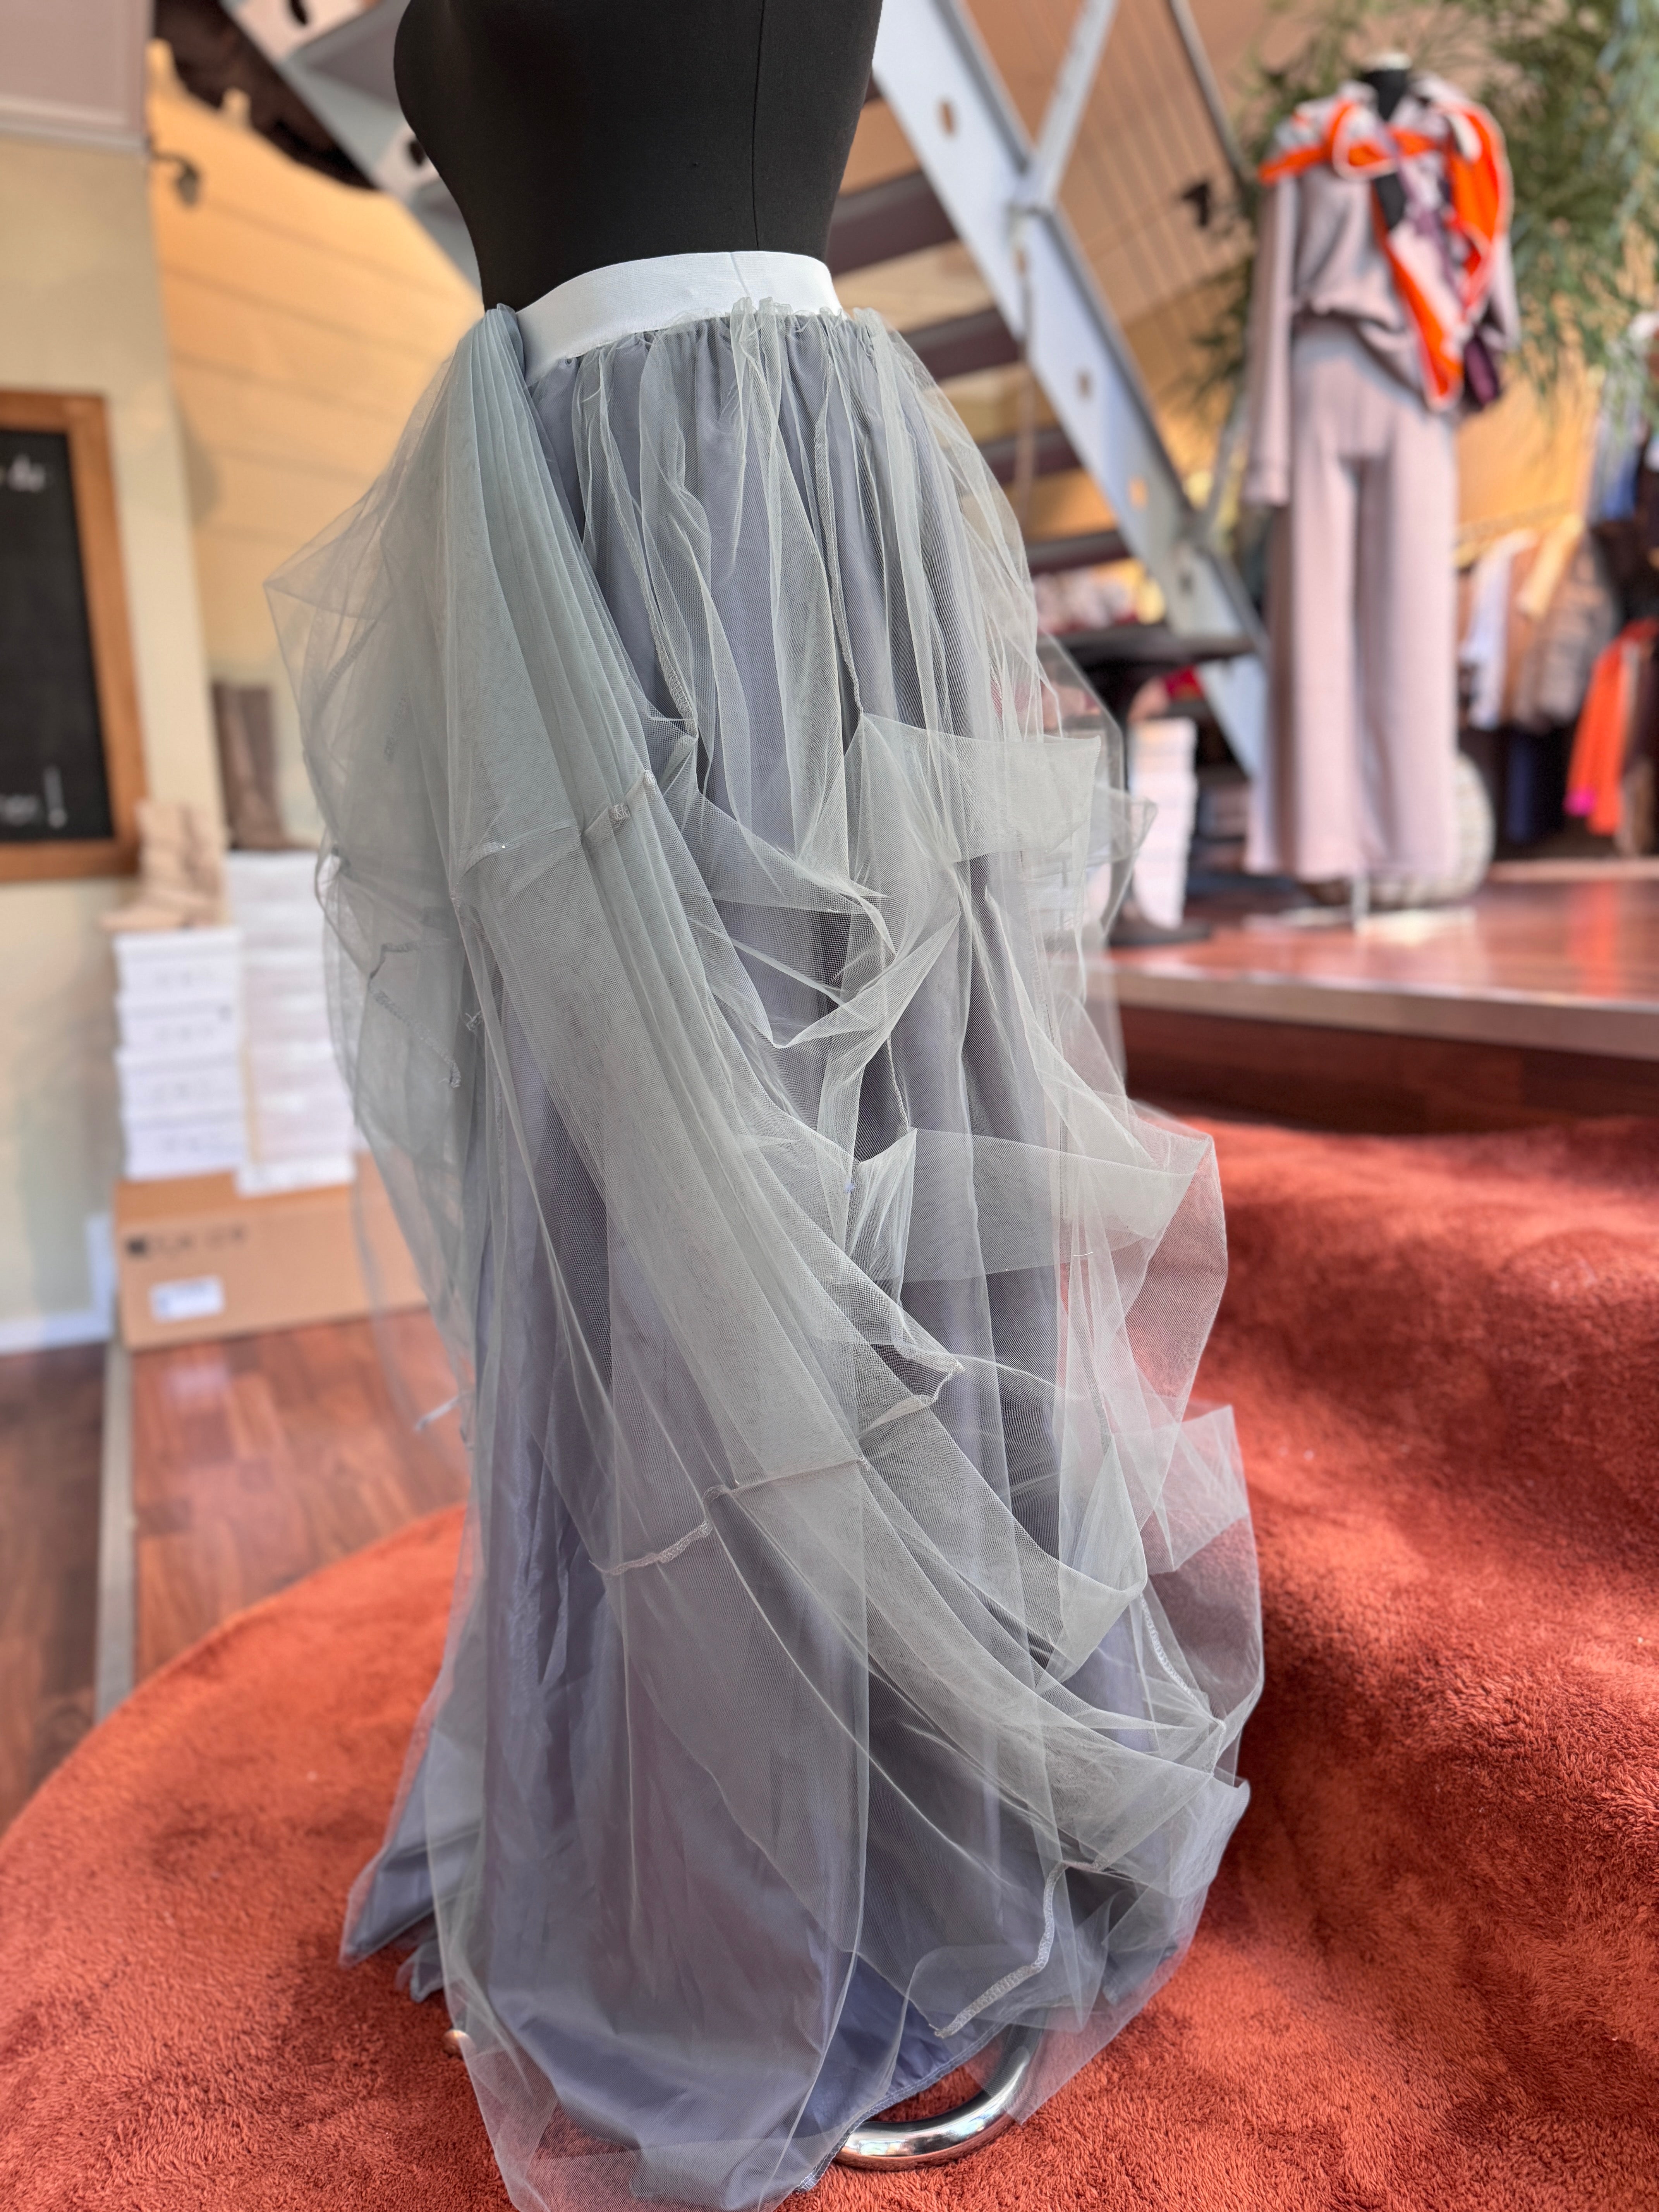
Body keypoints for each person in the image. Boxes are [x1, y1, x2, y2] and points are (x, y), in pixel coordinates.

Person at [270, 6, 1262, 2204]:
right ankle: (658, 1839)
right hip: (549, 520)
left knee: (833, 1141)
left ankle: (909, 1885)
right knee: (606, 1196)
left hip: (757, 493)